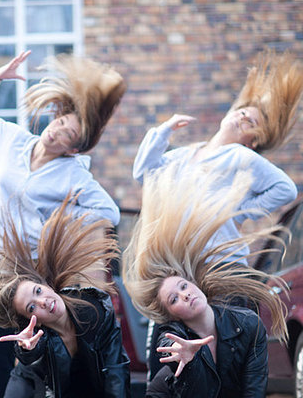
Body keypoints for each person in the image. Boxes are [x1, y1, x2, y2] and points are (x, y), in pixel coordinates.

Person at [131, 49, 302, 382]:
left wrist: (236, 210)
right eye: (242, 112)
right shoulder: (184, 155)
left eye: (251, 122)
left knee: (226, 355)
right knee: (167, 357)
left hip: (223, 270)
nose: (242, 119)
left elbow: (286, 190)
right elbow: (145, 173)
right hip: (181, 268)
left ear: (254, 139)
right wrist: (163, 131)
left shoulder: (241, 157)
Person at [0, 49, 126, 396]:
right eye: (60, 124)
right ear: (54, 116)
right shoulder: (11, 141)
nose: (56, 133)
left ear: (73, 149)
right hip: (3, 265)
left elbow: (108, 212)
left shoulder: (73, 175)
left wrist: (62, 222)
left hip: (39, 272)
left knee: (35, 353)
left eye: (68, 135)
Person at [0, 197, 131, 397]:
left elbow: (116, 370)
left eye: (38, 291)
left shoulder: (96, 307)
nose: (43, 302)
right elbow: (30, 358)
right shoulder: (36, 340)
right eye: (31, 308)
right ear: (30, 320)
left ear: (45, 284)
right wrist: (27, 352)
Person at [122, 163, 289, 398]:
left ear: (194, 283)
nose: (185, 294)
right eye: (174, 299)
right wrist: (186, 360)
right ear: (173, 315)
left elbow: (254, 389)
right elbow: (167, 342)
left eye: (183, 287)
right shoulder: (172, 334)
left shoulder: (248, 324)